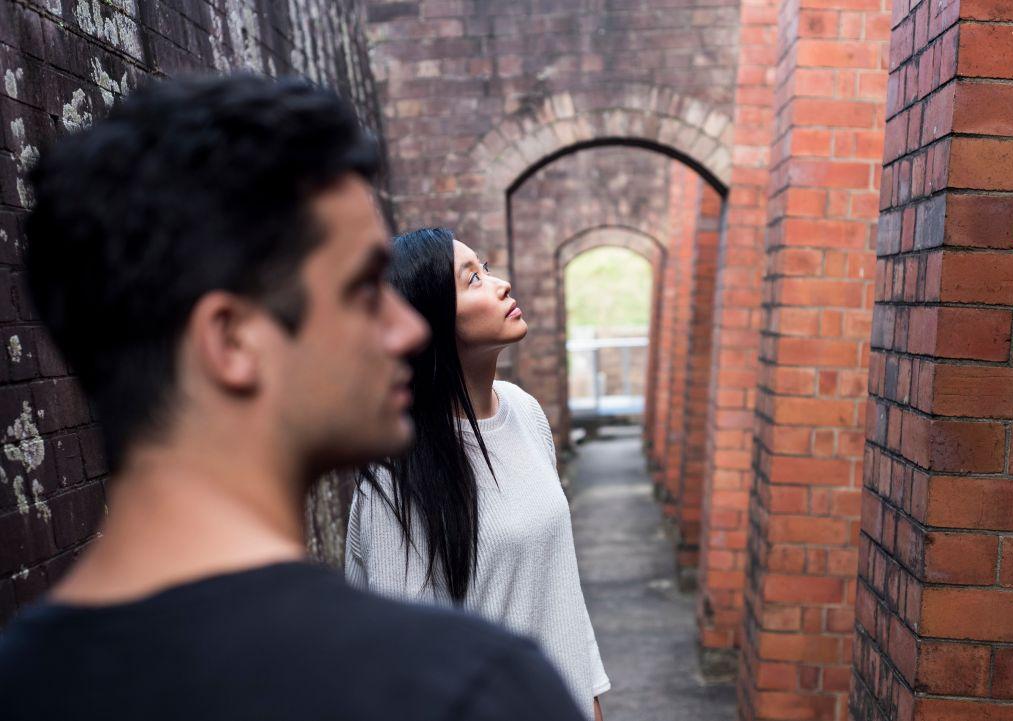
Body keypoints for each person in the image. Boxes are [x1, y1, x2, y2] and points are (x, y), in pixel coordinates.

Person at [0, 75, 584, 721]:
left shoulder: (24, 683)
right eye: (364, 291)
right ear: (232, 342)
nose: (409, 329)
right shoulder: (465, 687)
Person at [345, 228, 610, 720]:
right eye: (473, 281)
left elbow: (562, 595)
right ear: (428, 322)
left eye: (485, 269)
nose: (501, 285)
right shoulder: (396, 479)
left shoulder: (525, 411)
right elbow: (405, 674)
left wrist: (591, 702)